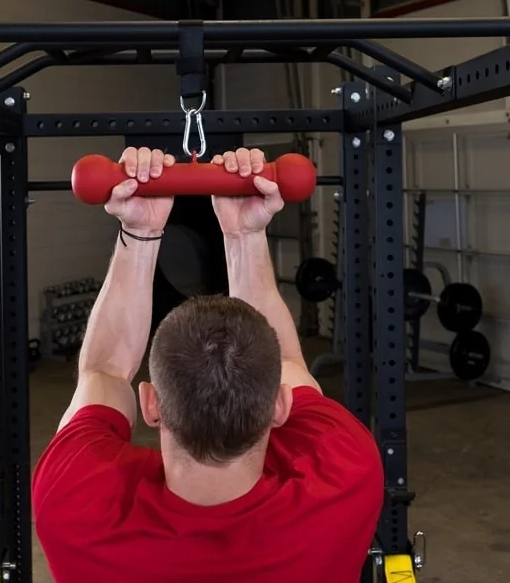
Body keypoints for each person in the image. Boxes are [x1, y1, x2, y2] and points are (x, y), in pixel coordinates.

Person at [32, 147, 384, 583]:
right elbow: (290, 361)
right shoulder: (347, 474)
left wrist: (140, 231)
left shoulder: (73, 502)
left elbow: (103, 371)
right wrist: (244, 234)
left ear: (150, 404)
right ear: (279, 404)